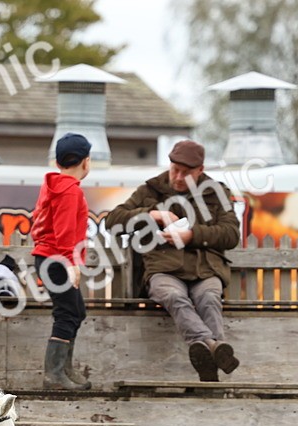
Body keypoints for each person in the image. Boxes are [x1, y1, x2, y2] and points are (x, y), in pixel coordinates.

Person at [103, 140, 241, 382]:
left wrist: (192, 236)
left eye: (186, 173)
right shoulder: (150, 190)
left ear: (200, 170)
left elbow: (231, 234)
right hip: (162, 269)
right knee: (174, 296)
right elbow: (113, 221)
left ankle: (209, 361)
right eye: (174, 169)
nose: (177, 177)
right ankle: (214, 347)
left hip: (206, 269)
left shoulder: (216, 192)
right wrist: (152, 215)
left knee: (210, 299)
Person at [31, 132, 94, 391]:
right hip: (56, 260)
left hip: (50, 258)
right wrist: (70, 262)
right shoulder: (69, 191)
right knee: (67, 314)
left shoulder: (55, 185)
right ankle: (54, 375)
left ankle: (65, 369)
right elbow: (64, 230)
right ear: (86, 162)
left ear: (58, 162)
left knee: (77, 311)